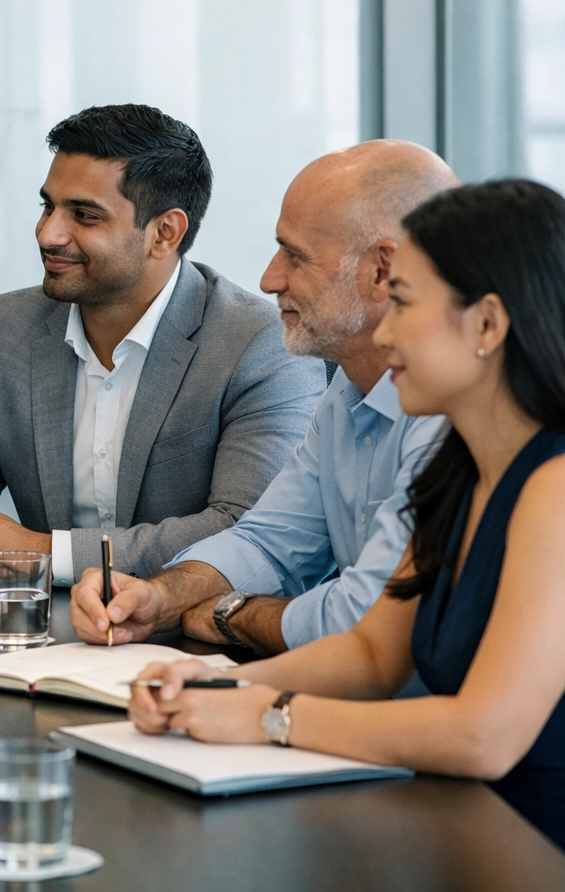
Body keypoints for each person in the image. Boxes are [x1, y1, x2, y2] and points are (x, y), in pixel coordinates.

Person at [128, 180, 565, 850]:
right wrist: (216, 681)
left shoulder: (555, 487)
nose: (384, 331)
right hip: (464, 831)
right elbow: (371, 653)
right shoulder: (458, 466)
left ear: (487, 324)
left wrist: (271, 715)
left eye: (406, 305)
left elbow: (484, 736)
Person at [0, 104, 324, 582]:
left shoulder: (259, 343)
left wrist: (46, 552)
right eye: (48, 205)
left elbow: (247, 529)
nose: (48, 234)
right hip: (39, 641)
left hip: (193, 640)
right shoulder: (7, 326)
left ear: (164, 233)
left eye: (84, 216)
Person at [70, 141, 457, 654]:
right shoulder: (346, 388)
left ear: (383, 271)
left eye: (294, 256)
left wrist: (231, 614)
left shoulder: (453, 412)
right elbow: (268, 543)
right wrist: (158, 597)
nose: (269, 279)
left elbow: (362, 619)